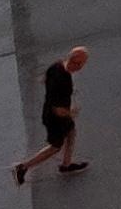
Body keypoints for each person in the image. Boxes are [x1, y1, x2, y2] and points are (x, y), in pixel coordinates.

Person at [14, 44, 88, 182]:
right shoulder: (63, 80)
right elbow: (58, 110)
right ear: (75, 63)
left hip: (53, 112)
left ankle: (66, 165)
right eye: (82, 63)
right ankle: (23, 167)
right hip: (55, 119)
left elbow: (44, 79)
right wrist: (71, 112)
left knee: (71, 132)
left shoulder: (57, 66)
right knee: (55, 147)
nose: (82, 66)